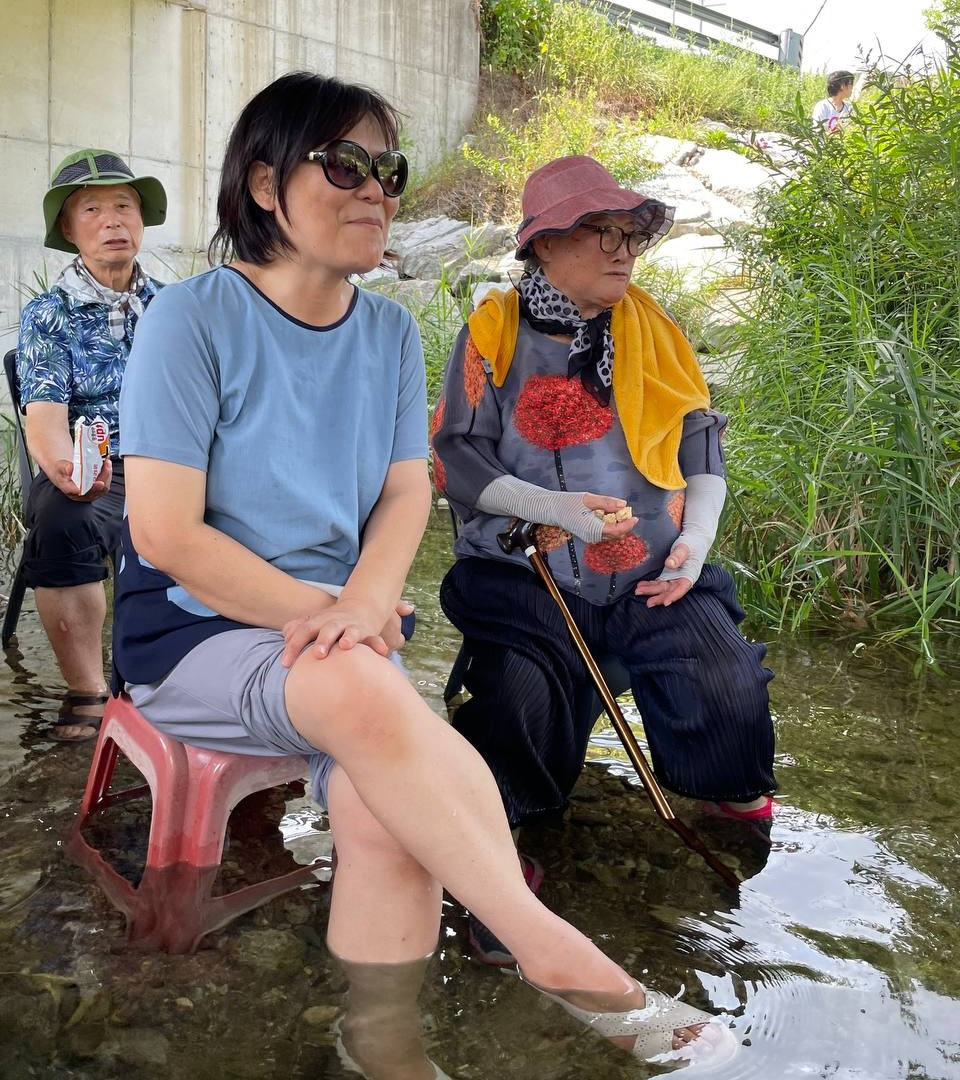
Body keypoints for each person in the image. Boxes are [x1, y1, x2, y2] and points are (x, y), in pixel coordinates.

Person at [113, 73, 738, 1071]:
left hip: (337, 642)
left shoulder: (388, 332)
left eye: (388, 170)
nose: (377, 190)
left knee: (378, 807)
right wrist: (340, 613)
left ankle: (384, 1048)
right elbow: (166, 535)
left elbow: (411, 490)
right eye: (346, 165)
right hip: (198, 627)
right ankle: (554, 953)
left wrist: (364, 598)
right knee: (365, 688)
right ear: (266, 186)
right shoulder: (191, 320)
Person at [432, 155, 777, 964]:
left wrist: (694, 546)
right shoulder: (494, 333)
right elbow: (459, 455)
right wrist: (550, 509)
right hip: (527, 574)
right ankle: (496, 846)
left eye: (629, 234)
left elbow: (702, 451)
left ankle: (724, 793)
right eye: (598, 233)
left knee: (725, 682)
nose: (621, 250)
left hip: (651, 571)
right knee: (513, 695)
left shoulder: (656, 331)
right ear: (544, 248)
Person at [16, 149, 166, 741]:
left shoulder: (172, 306)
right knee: (60, 516)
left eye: (124, 206)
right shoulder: (50, 314)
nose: (113, 221)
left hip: (171, 463)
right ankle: (87, 693)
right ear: (69, 230)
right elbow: (46, 419)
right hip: (94, 468)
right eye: (93, 210)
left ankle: (185, 681)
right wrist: (67, 470)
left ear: (142, 220)